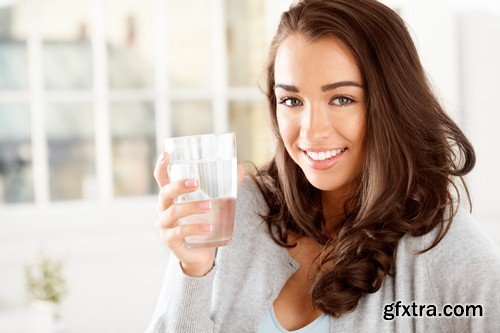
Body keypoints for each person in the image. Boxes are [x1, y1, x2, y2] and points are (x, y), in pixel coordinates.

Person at [147, 0, 500, 332]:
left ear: (392, 105)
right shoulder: (239, 212)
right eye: (292, 100)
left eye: (341, 99)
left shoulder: (447, 255)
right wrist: (194, 271)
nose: (311, 131)